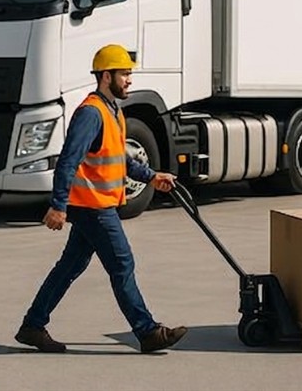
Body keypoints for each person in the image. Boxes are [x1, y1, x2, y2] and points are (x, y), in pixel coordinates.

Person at [15, 44, 187, 354]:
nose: (129, 80)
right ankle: (147, 331)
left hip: (95, 205)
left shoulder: (113, 111)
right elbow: (68, 160)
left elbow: (118, 158)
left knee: (69, 267)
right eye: (124, 74)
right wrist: (57, 205)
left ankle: (32, 325)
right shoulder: (91, 113)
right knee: (122, 263)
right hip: (92, 206)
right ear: (106, 76)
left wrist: (151, 176)